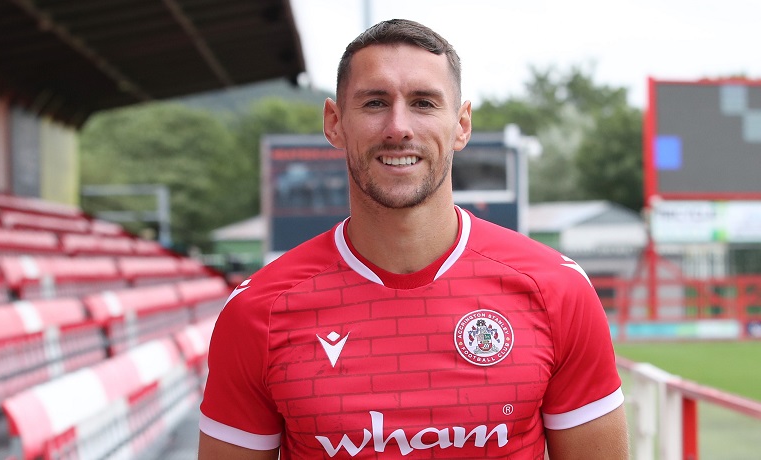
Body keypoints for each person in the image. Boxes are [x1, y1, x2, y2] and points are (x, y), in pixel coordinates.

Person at [198, 18, 628, 459]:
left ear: (461, 125)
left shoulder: (557, 291)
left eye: (423, 103)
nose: (398, 127)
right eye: (374, 103)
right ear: (334, 123)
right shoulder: (258, 314)